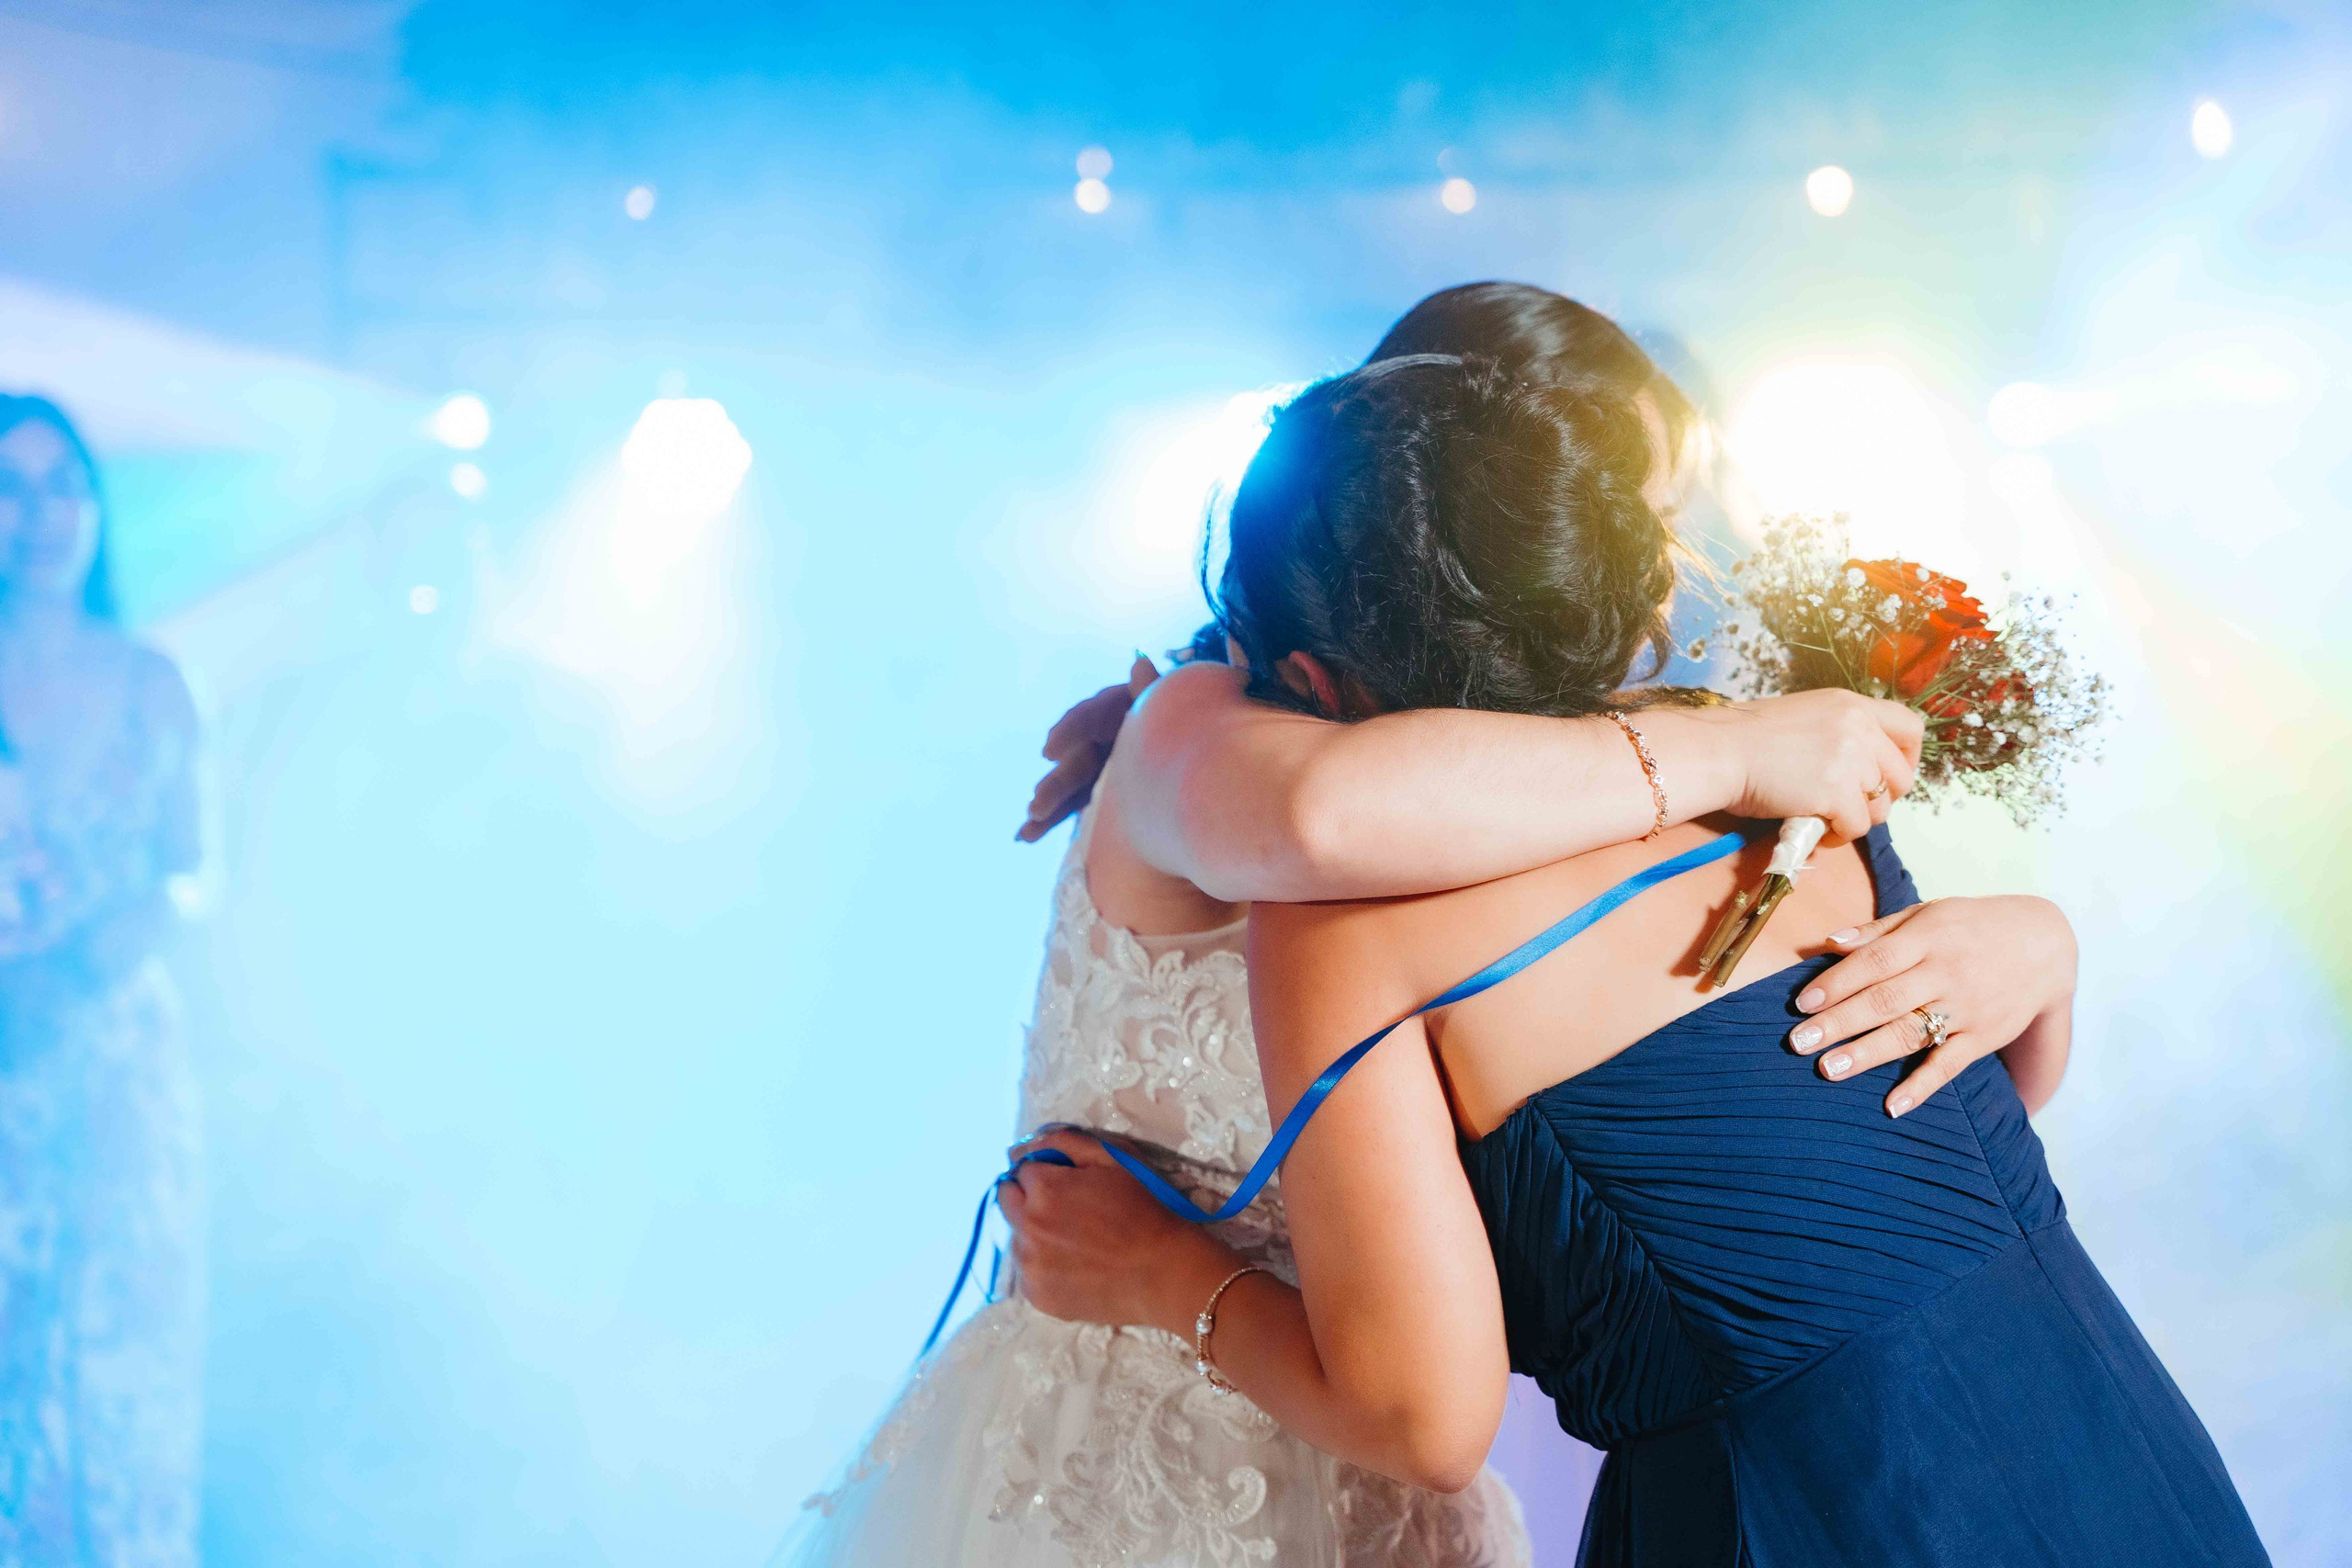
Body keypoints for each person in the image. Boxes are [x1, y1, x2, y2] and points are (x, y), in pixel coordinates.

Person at [787, 285, 2088, 1568]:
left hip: (1370, 1459)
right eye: (1617, 510)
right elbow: (1323, 816)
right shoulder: (1210, 725)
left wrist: (2033, 953)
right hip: (1126, 1439)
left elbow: (1819, 1158)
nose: (1649, 578)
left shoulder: (1540, 792)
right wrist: (1737, 745)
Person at [1006, 356, 2267, 1565]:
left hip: (1786, 1512)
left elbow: (1423, 1420)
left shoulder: (1349, 925)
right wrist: (2047, 952)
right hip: (2109, 1447)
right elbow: (1944, 1124)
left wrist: (1167, 1271)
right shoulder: (1793, 787)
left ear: (1309, 670)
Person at [0, 395, 205, 1563]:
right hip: (1, 1070)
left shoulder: (151, 681)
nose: (42, 516)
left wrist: (84, 962)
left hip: (120, 1073)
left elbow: (196, 871)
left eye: (64, 485)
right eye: (12, 487)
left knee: (127, 1370)